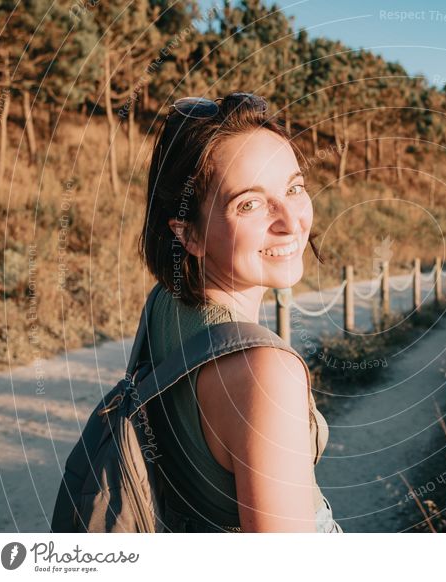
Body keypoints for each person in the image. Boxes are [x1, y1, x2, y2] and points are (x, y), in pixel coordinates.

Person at [136, 92, 342, 533]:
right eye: (249, 203)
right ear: (188, 233)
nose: (290, 220)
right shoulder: (264, 373)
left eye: (294, 188)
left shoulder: (164, 305)